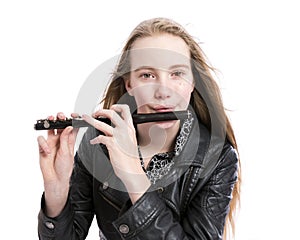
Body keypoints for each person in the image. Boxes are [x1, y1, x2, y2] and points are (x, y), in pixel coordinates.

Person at [37, 17, 241, 239]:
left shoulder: (218, 158)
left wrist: (134, 176)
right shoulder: (99, 141)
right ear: (129, 85)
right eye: (147, 75)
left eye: (177, 74)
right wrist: (56, 193)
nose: (163, 91)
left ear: (192, 82)